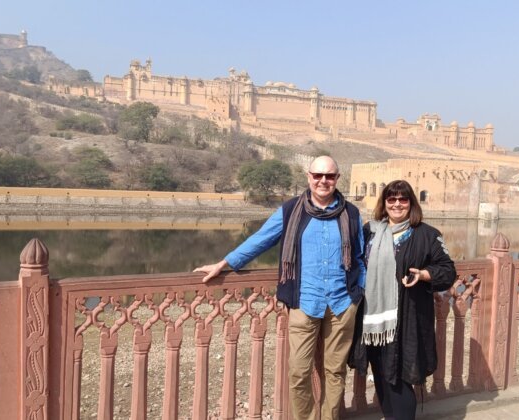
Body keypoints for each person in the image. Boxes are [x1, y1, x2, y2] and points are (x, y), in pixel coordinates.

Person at [194, 156, 365, 420]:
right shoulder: (290, 211)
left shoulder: (350, 213)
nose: (323, 181)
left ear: (337, 179)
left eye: (329, 176)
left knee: (336, 371)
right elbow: (260, 239)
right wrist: (225, 263)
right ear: (308, 177)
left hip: (342, 304)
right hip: (303, 303)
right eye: (317, 175)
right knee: (298, 371)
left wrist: (358, 292)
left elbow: (360, 256)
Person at [350, 180, 455, 420]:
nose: (397, 204)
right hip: (374, 319)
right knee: (380, 372)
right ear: (384, 203)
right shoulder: (370, 232)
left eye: (403, 199)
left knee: (401, 376)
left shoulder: (426, 235)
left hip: (408, 319)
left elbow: (448, 271)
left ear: (411, 203)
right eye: (392, 199)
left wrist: (424, 274)